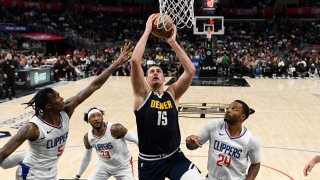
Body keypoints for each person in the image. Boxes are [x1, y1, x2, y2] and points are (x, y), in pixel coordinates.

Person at [0, 43, 133, 179]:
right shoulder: (32, 128)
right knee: (8, 161)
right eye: (57, 97)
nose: (62, 98)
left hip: (51, 172)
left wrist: (116, 63)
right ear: (48, 106)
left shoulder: (66, 110)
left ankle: (28, 154)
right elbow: (2, 154)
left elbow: (94, 85)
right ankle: (26, 155)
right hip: (31, 174)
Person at [130, 14, 202, 180]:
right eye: (151, 72)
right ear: (146, 79)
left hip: (174, 158)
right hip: (149, 163)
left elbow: (190, 70)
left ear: (164, 78)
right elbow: (134, 61)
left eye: (158, 71)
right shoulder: (142, 95)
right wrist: (148, 29)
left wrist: (172, 43)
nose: (155, 73)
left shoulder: (172, 93)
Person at [185, 100, 261, 180]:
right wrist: (190, 142)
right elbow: (191, 146)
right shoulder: (214, 126)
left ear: (242, 116)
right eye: (228, 108)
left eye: (234, 109)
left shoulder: (251, 140)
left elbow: (255, 164)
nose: (228, 110)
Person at [74, 107, 138, 180]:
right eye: (93, 116)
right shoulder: (88, 137)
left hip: (123, 167)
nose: (96, 118)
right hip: (104, 167)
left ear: (102, 118)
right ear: (88, 120)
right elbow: (86, 157)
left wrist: (145, 157)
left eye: (98, 115)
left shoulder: (115, 129)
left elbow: (136, 139)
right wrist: (78, 176)